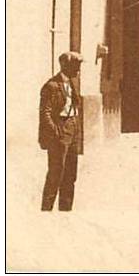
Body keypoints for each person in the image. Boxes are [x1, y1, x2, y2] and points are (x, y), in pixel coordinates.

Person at [39, 51, 84, 211]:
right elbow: (45, 113)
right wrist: (56, 131)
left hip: (72, 129)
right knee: (56, 173)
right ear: (65, 65)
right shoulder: (51, 86)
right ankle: (46, 211)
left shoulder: (72, 83)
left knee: (70, 174)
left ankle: (66, 211)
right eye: (75, 66)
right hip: (60, 130)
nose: (78, 70)